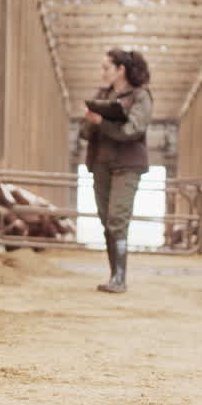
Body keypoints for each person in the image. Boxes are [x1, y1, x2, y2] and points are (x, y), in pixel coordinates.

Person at [80, 49, 152, 294]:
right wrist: (89, 121)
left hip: (127, 165)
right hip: (100, 163)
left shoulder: (141, 97)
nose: (102, 73)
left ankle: (120, 279)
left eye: (106, 67)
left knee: (117, 219)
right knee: (105, 220)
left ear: (121, 69)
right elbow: (83, 132)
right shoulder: (101, 95)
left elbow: (132, 130)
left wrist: (103, 122)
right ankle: (114, 276)